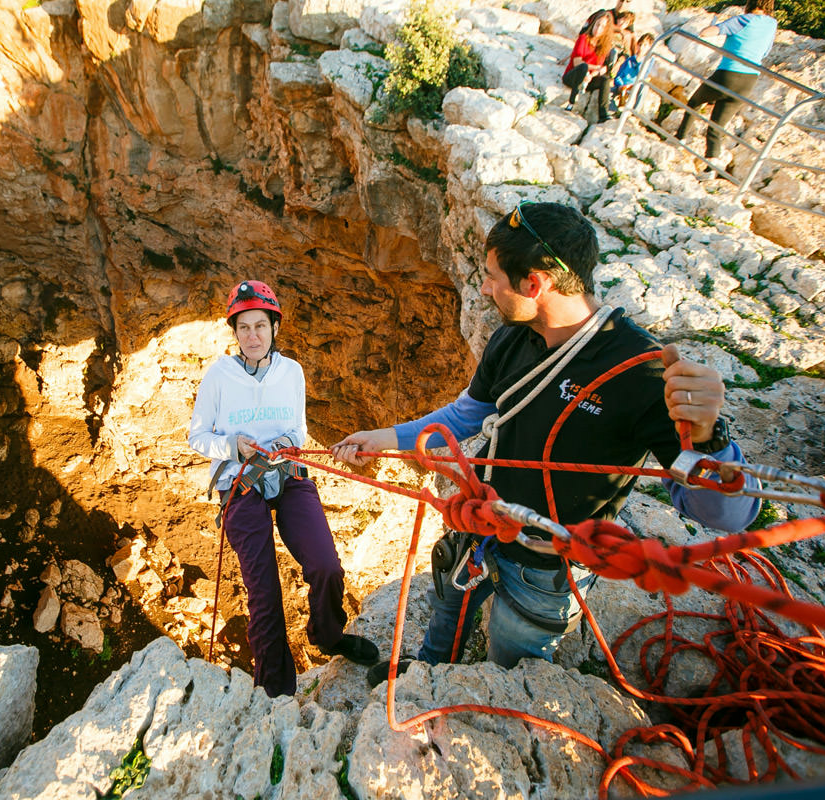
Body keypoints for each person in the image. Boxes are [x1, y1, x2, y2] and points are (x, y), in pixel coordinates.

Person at [331, 202, 761, 683]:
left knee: (513, 669)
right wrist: (386, 438)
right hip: (481, 527)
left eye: (493, 276)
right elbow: (468, 414)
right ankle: (430, 673)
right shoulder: (514, 338)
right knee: (448, 605)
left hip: (546, 565)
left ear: (534, 284)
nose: (485, 287)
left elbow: (730, 516)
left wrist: (709, 436)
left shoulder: (641, 372)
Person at [188, 280, 379, 697]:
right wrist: (232, 445)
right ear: (234, 333)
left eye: (260, 326)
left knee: (327, 566)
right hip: (239, 483)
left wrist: (288, 443)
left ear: (275, 328)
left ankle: (328, 635)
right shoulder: (218, 376)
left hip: (287, 475)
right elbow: (197, 436)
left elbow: (298, 427)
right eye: (243, 328)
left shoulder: (291, 372)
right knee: (265, 592)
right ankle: (275, 692)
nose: (252, 336)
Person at [675, 0, 778, 180]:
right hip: (749, 80)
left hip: (728, 73)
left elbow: (706, 33)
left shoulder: (743, 20)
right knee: (717, 124)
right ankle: (710, 169)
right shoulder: (771, 24)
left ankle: (680, 138)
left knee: (695, 101)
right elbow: (765, 52)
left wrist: (714, 25)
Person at [563, 13, 616, 122]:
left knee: (605, 79)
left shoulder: (604, 46)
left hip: (588, 80)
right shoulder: (583, 38)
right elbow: (577, 62)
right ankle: (572, 102)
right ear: (593, 24)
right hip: (573, 76)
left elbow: (601, 67)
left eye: (602, 27)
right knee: (583, 67)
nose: (598, 29)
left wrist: (592, 74)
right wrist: (595, 68)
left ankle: (603, 114)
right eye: (597, 25)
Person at [611, 33, 655, 114]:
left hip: (635, 84)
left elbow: (643, 75)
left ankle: (635, 112)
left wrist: (638, 63)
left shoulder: (649, 60)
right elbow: (618, 76)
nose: (641, 48)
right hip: (623, 85)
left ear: (649, 48)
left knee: (644, 86)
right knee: (609, 91)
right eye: (640, 44)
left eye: (645, 45)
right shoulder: (629, 60)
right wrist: (621, 85)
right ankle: (614, 112)